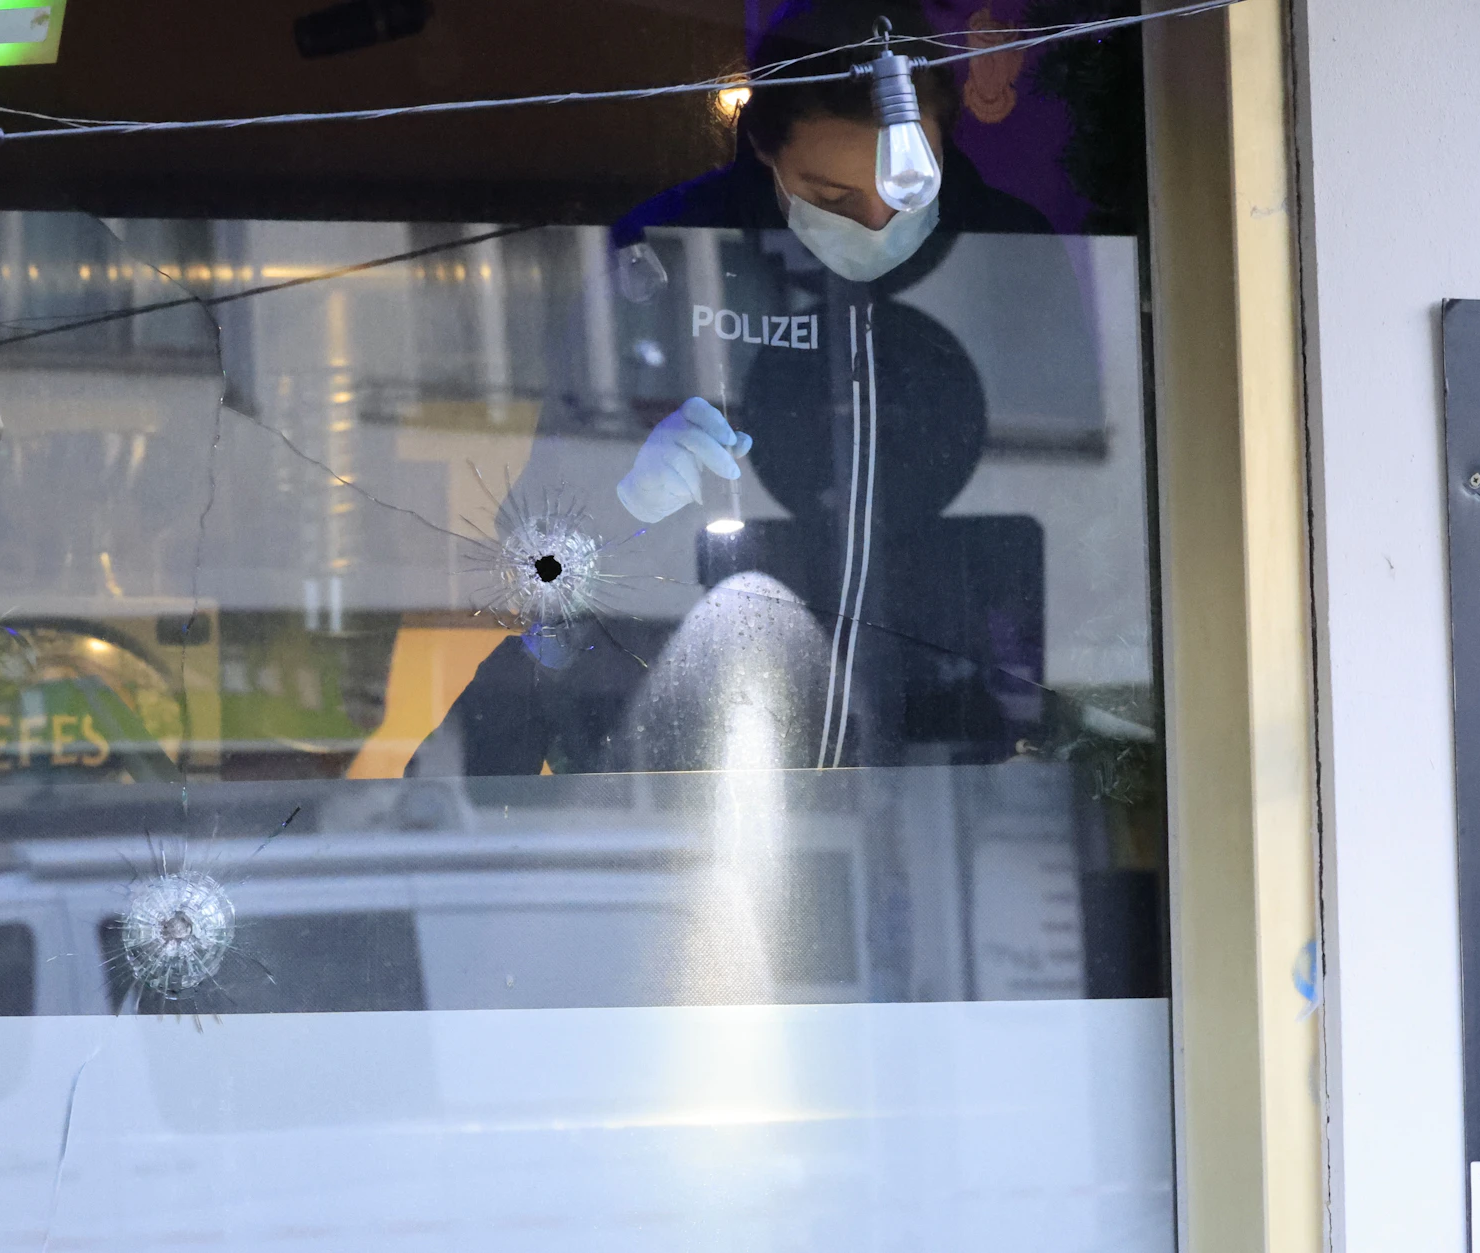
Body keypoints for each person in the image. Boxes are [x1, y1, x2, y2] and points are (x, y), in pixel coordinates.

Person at [409, 0, 1087, 777]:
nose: (877, 224)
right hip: (694, 753)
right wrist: (623, 497)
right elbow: (533, 552)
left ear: (940, 134)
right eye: (833, 197)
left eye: (908, 188)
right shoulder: (661, 259)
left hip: (946, 757)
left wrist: (1058, 728)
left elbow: (1090, 531)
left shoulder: (1009, 258)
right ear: (764, 147)